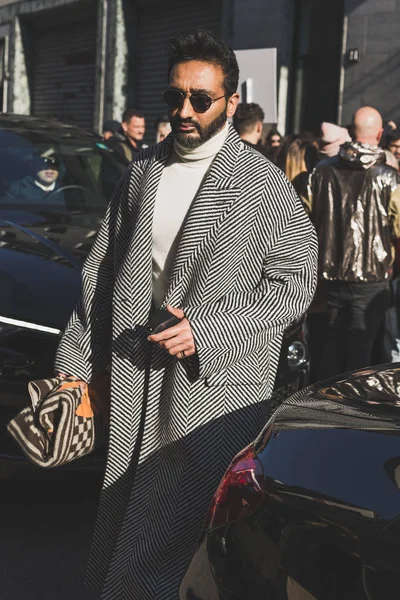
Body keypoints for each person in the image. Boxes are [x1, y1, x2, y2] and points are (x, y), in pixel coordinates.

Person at [54, 28, 317, 600]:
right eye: (175, 97)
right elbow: (98, 273)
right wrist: (74, 366)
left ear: (230, 100)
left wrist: (210, 326)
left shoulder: (263, 183)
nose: (185, 110)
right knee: (124, 514)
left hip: (214, 388)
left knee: (171, 533)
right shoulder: (143, 170)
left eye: (201, 99)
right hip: (132, 375)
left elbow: (295, 285)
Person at [309, 106, 400, 380]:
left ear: (350, 132)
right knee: (362, 350)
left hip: (330, 274)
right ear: (380, 134)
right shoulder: (389, 176)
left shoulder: (321, 171)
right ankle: (352, 413)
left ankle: (325, 407)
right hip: (373, 277)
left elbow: (306, 221)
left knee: (330, 347)